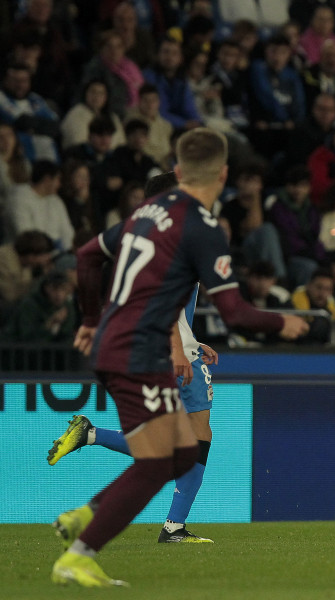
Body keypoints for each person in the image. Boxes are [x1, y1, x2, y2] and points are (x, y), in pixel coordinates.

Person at [49, 128, 308, 588]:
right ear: (223, 174)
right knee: (169, 456)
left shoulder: (142, 218)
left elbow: (87, 256)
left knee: (177, 450)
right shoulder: (199, 227)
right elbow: (234, 312)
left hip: (117, 343)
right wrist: (280, 323)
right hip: (145, 348)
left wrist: (90, 320)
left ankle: (84, 516)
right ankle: (89, 541)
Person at [47, 171, 228, 544]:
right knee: (187, 443)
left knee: (174, 443)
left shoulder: (135, 234)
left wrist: (190, 340)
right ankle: (168, 526)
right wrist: (180, 347)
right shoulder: (177, 237)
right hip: (168, 350)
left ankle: (92, 437)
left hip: (147, 346)